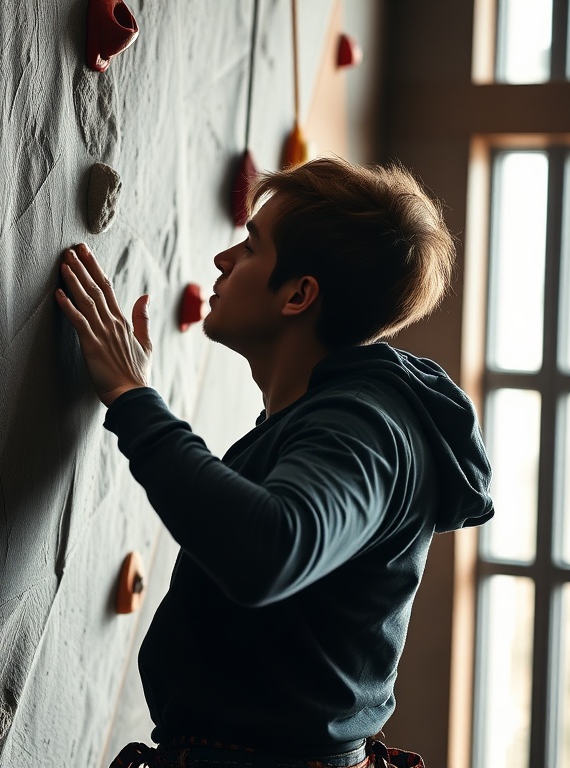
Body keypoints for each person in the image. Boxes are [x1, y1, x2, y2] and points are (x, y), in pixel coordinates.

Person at [54, 156, 494, 768]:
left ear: (298, 294)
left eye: (252, 246)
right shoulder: (332, 414)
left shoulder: (367, 430)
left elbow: (271, 549)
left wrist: (132, 400)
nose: (222, 260)